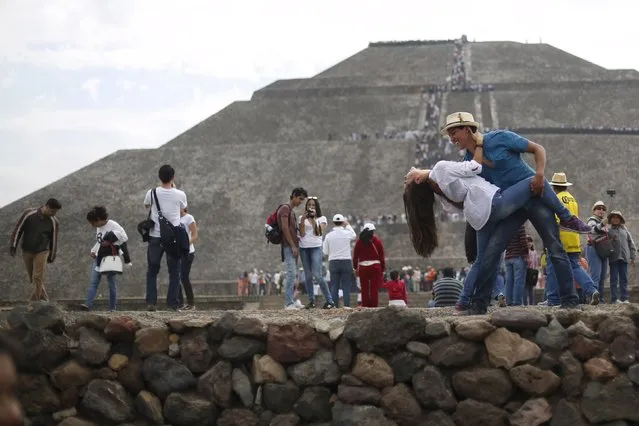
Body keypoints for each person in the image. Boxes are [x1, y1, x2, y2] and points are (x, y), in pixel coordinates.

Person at [407, 111, 589, 314]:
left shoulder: (500, 138)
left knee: (555, 248)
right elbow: (464, 190)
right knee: (492, 252)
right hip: (509, 206)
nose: (451, 137)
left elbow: (538, 149)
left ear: (467, 129)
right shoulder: (469, 159)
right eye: (449, 133)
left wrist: (539, 175)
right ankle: (479, 304)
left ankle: (569, 300)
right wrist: (431, 183)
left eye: (454, 131)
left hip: (535, 197)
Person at [543, 173, 600, 305]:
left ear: (554, 186)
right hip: (574, 238)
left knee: (552, 266)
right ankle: (592, 290)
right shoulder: (572, 199)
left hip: (560, 239)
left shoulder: (555, 198)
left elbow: (557, 221)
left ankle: (552, 299)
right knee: (575, 266)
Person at [143, 164, 188, 311]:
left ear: (159, 177)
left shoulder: (152, 193)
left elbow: (146, 206)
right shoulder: (180, 194)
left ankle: (151, 302)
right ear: (173, 177)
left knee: (152, 270)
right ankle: (173, 303)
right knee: (174, 272)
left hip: (155, 235)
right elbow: (183, 208)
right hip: (173, 238)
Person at [9, 198, 61, 301]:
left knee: (37, 276)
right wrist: (13, 245)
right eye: (52, 211)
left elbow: (54, 239)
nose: (54, 214)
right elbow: (18, 229)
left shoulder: (54, 221)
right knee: (34, 279)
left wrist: (52, 255)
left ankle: (34, 303)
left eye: (56, 212)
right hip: (27, 250)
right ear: (46, 207)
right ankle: (45, 301)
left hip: (42, 251)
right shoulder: (29, 214)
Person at [81, 206, 128, 312]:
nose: (93, 225)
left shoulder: (113, 225)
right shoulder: (99, 227)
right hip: (99, 256)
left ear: (99, 219)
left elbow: (124, 237)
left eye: (93, 223)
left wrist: (111, 242)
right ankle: (88, 305)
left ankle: (112, 308)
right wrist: (94, 250)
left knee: (111, 283)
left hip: (110, 257)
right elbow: (100, 241)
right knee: (94, 282)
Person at [298, 197, 335, 309]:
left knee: (318, 275)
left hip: (315, 248)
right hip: (304, 248)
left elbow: (318, 232)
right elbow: (302, 234)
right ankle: (311, 301)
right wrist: (303, 221)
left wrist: (313, 219)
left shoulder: (322, 218)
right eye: (309, 205)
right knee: (308, 276)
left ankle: (330, 300)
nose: (311, 207)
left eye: (313, 205)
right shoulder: (301, 218)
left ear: (317, 207)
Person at [278, 187, 308, 309]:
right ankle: (288, 303)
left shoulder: (292, 211)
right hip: (289, 246)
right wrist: (292, 245)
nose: (301, 202)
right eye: (300, 199)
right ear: (294, 196)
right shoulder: (285, 209)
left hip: (293, 246)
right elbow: (285, 228)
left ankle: (293, 300)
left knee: (294, 274)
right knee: (291, 274)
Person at [322, 214, 357, 308]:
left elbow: (325, 251)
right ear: (342, 222)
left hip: (333, 262)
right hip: (346, 261)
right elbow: (354, 235)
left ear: (333, 223)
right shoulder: (347, 233)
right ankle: (347, 306)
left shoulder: (329, 236)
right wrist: (348, 225)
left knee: (334, 286)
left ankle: (335, 306)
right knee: (346, 285)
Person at [353, 223, 386, 307]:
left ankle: (365, 306)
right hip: (375, 267)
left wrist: (355, 267)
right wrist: (382, 268)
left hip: (363, 267)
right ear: (373, 231)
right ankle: (374, 306)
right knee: (374, 289)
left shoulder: (359, 241)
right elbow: (382, 256)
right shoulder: (377, 241)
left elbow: (355, 256)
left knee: (364, 288)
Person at [607, 210, 636, 303]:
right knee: (614, 279)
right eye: (613, 217)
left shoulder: (625, 230)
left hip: (624, 258)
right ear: (610, 220)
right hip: (613, 259)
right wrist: (611, 240)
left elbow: (631, 243)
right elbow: (605, 244)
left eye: (617, 217)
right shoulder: (608, 231)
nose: (615, 219)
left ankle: (624, 298)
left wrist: (632, 256)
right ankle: (614, 299)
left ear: (620, 219)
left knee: (624, 279)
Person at [586, 200, 609, 301]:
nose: (601, 210)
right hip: (593, 248)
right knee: (595, 276)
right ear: (594, 210)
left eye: (603, 209)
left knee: (602, 277)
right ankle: (592, 298)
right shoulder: (592, 220)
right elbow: (592, 230)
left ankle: (601, 299)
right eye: (598, 208)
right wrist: (602, 224)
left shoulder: (603, 223)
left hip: (603, 250)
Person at [178, 207, 198, 310]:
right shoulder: (173, 218)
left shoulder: (189, 218)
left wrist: (186, 245)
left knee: (184, 277)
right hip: (176, 252)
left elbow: (195, 235)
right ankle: (180, 303)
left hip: (188, 252)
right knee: (176, 277)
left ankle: (191, 303)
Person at [504, 225, 529, 306]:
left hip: (508, 257)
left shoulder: (506, 226)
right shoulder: (520, 225)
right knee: (519, 281)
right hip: (518, 257)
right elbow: (523, 242)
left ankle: (509, 301)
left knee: (509, 281)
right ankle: (517, 302)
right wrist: (526, 255)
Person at [524, 235, 541, 306]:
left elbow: (536, 262)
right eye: (527, 242)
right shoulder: (525, 252)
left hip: (532, 272)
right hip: (526, 271)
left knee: (531, 288)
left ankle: (531, 303)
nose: (529, 243)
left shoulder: (534, 252)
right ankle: (525, 303)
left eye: (530, 242)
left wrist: (536, 270)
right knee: (525, 287)